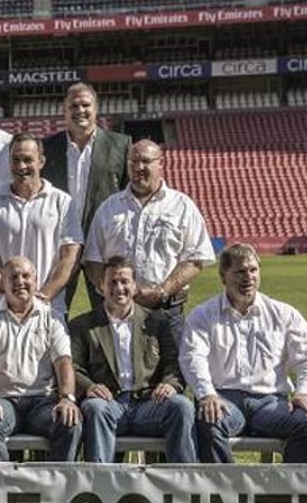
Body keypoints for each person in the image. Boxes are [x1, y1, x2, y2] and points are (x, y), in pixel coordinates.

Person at [181, 244, 307, 464]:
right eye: (240, 272)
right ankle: (227, 494)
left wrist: (305, 393)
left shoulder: (283, 314)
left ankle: (286, 492)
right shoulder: (203, 315)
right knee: (209, 422)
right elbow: (192, 357)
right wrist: (206, 394)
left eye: (253, 270)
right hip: (224, 399)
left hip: (271, 403)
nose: (248, 277)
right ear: (223, 277)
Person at [84, 139, 215, 348]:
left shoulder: (182, 206)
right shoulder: (108, 208)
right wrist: (116, 294)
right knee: (117, 377)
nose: (138, 168)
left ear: (161, 163)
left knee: (170, 375)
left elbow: (195, 259)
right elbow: (92, 259)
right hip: (116, 315)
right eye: (133, 161)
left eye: (145, 161)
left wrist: (162, 291)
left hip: (166, 312)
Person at [70, 256, 195, 463]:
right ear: (101, 286)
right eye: (112, 282)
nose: (119, 288)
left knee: (182, 406)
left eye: (125, 282)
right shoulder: (83, 325)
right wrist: (89, 387)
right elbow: (73, 367)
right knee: (94, 408)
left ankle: (182, 483)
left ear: (135, 286)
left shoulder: (157, 321)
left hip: (149, 404)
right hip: (108, 403)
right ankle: (100, 484)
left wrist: (171, 384)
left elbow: (175, 362)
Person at [0, 257, 81, 462]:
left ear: (36, 281)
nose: (20, 281)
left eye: (26, 276)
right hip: (3, 400)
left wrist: (67, 398)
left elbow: (63, 362)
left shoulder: (53, 317)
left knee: (69, 420)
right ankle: (0, 488)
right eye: (13, 277)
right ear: (3, 282)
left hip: (43, 402)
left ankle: (57, 488)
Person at [41, 83, 130, 309]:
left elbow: (128, 195)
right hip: (59, 244)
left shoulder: (120, 145)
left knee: (108, 310)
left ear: (96, 108)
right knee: (53, 309)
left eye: (85, 105)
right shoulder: (47, 148)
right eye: (74, 106)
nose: (80, 110)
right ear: (65, 110)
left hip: (103, 245)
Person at [0, 133, 82, 321]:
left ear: (41, 161)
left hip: (51, 310)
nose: (21, 167)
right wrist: (15, 296)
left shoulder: (63, 202)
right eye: (15, 160)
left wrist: (42, 297)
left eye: (28, 160)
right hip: (5, 311)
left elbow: (70, 258)